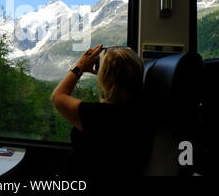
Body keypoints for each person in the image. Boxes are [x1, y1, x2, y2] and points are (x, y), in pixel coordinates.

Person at [51, 44, 152, 176]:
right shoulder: (142, 111)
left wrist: (80, 66)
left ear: (104, 77)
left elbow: (57, 96)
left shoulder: (102, 116)